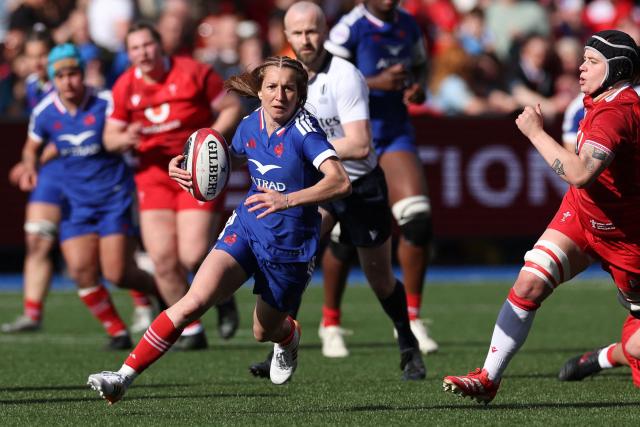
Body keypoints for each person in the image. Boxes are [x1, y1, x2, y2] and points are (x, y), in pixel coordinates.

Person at [86, 55, 351, 404]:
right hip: (247, 228)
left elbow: (340, 181)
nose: (279, 95)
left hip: (290, 246)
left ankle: (288, 337)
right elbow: (226, 157)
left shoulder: (306, 132)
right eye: (272, 86)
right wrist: (188, 167)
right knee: (191, 302)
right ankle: (122, 377)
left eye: (289, 88)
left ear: (300, 95)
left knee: (263, 331)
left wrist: (288, 200)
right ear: (259, 90)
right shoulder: (249, 123)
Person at [442, 29, 640, 404]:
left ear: (617, 70)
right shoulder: (599, 99)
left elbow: (580, 171)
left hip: (628, 238)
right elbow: (582, 181)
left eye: (592, 61)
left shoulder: (617, 113)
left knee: (636, 343)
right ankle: (488, 378)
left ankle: (607, 355)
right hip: (583, 214)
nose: (580, 67)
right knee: (529, 283)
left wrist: (534, 132)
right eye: (583, 58)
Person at [248, 1, 425, 380]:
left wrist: (306, 147)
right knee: (295, 263)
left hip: (359, 185)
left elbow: (360, 144)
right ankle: (282, 349)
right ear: (285, 36)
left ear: (326, 30)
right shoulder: (280, 78)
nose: (305, 39)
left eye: (312, 30)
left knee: (379, 278)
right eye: (297, 32)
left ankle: (408, 343)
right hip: (317, 187)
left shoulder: (345, 75)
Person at [103, 21, 244, 349]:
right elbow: (109, 138)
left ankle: (223, 298)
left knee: (193, 255)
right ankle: (192, 331)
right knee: (163, 260)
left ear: (160, 46)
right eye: (135, 48)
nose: (143, 53)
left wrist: (209, 141)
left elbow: (232, 107)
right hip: (154, 178)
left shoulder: (193, 72)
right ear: (129, 54)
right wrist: (124, 137)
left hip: (195, 172)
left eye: (147, 45)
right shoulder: (125, 86)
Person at [18, 43, 161, 349]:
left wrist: (127, 137)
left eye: (73, 74)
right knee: (81, 270)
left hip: (113, 198)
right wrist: (29, 167)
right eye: (61, 76)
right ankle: (117, 332)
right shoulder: (45, 112)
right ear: (53, 79)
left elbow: (129, 127)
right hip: (75, 204)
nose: (68, 81)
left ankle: (161, 293)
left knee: (118, 273)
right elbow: (31, 148)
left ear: (83, 74)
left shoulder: (106, 102)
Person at [322, 0, 438, 355]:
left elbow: (420, 66)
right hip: (352, 135)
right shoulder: (348, 28)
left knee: (417, 220)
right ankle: (330, 323)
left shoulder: (408, 24)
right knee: (344, 235)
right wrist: (373, 82)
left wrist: (416, 88)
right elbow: (321, 80)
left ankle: (413, 319)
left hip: (393, 132)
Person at [2, 28, 59, 333]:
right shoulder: (32, 86)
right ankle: (32, 313)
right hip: (50, 174)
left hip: (83, 172)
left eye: (44, 56)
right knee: (36, 240)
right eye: (33, 56)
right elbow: (37, 137)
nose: (38, 62)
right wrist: (28, 163)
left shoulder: (67, 83)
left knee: (102, 257)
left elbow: (64, 135)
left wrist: (32, 162)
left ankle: (144, 305)